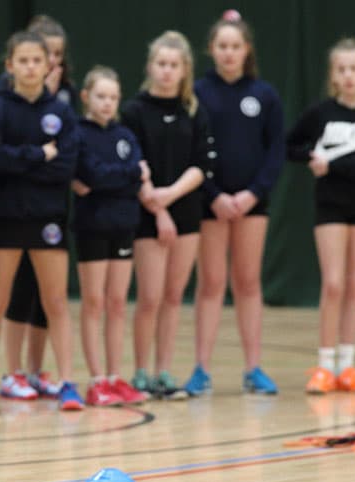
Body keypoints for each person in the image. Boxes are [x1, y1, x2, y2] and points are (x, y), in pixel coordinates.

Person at [0, 31, 84, 411]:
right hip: (5, 217)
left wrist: (20, 161)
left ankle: (68, 382)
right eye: (23, 60)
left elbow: (65, 167)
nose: (31, 67)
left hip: (48, 219)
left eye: (37, 60)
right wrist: (39, 155)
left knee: (56, 301)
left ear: (49, 64)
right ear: (10, 65)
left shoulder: (62, 112)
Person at [287, 38, 355, 394]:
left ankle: (347, 366)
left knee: (353, 283)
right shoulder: (321, 113)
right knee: (333, 283)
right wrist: (311, 159)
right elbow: (290, 144)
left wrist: (334, 165)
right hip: (330, 204)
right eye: (341, 69)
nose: (348, 75)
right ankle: (324, 365)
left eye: (354, 68)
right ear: (333, 75)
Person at [189, 11, 283, 396]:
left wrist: (252, 193)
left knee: (247, 281)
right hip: (210, 203)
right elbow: (192, 148)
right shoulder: (197, 93)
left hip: (250, 204)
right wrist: (214, 195)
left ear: (247, 50)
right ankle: (201, 369)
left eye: (235, 46)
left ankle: (253, 368)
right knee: (211, 283)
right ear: (211, 49)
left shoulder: (264, 95)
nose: (228, 53)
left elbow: (275, 151)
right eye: (222, 46)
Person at [121, 31, 212, 400]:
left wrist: (170, 196)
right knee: (150, 297)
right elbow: (134, 162)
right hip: (147, 214)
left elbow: (201, 166)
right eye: (161, 63)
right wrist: (158, 209)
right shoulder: (134, 111)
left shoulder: (193, 110)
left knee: (174, 296)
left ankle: (163, 371)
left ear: (184, 69)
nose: (167, 71)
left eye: (174, 65)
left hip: (186, 212)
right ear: (150, 66)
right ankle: (141, 371)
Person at [72, 66, 150, 406]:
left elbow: (135, 176)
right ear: (86, 97)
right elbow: (93, 175)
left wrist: (117, 177)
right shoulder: (79, 134)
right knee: (94, 301)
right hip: (92, 226)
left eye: (113, 97)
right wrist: (127, 174)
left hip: (123, 223)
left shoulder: (125, 136)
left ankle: (116, 377)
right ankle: (97, 380)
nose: (107, 103)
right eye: (101, 96)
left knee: (117, 303)